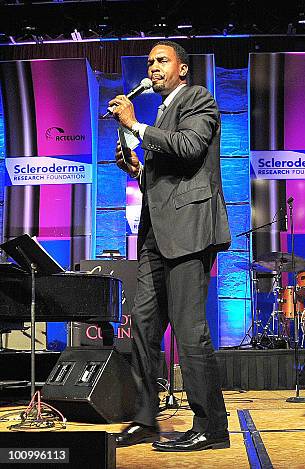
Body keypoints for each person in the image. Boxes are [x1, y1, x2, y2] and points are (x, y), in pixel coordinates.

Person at [111, 40, 232, 452]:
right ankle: (145, 419)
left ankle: (212, 426)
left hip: (189, 231)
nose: (154, 67)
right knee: (143, 327)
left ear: (183, 69)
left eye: (162, 61)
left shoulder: (199, 99)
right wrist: (138, 168)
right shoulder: (162, 112)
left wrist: (136, 126)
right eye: (150, 63)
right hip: (154, 235)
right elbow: (166, 177)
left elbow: (189, 148)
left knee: (189, 329)